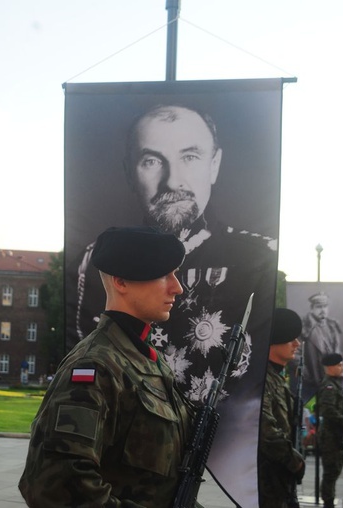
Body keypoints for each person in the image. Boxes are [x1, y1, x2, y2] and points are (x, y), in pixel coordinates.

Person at [74, 104, 277, 401]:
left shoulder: (258, 258)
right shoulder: (98, 259)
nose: (172, 181)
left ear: (215, 164)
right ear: (129, 172)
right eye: (152, 161)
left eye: (190, 157)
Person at [20, 226, 196, 507]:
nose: (177, 287)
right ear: (121, 282)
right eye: (164, 274)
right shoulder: (95, 366)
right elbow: (55, 485)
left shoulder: (148, 361)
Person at [258, 308, 305, 508]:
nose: (297, 344)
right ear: (275, 339)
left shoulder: (275, 377)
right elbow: (265, 431)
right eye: (291, 338)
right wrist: (296, 461)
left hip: (280, 477)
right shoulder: (261, 379)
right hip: (268, 479)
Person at [315, 353, 343, 508]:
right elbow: (327, 410)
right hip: (330, 435)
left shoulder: (334, 384)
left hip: (335, 433)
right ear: (330, 367)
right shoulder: (329, 386)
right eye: (339, 365)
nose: (342, 368)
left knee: (334, 469)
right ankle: (328, 502)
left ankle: (329, 499)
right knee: (330, 471)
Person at [300, 292, 343, 399]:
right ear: (312, 308)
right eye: (319, 307)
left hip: (331, 380)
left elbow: (337, 351)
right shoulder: (304, 327)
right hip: (312, 380)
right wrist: (307, 374)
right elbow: (296, 353)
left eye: (325, 306)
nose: (323, 310)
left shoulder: (333, 326)